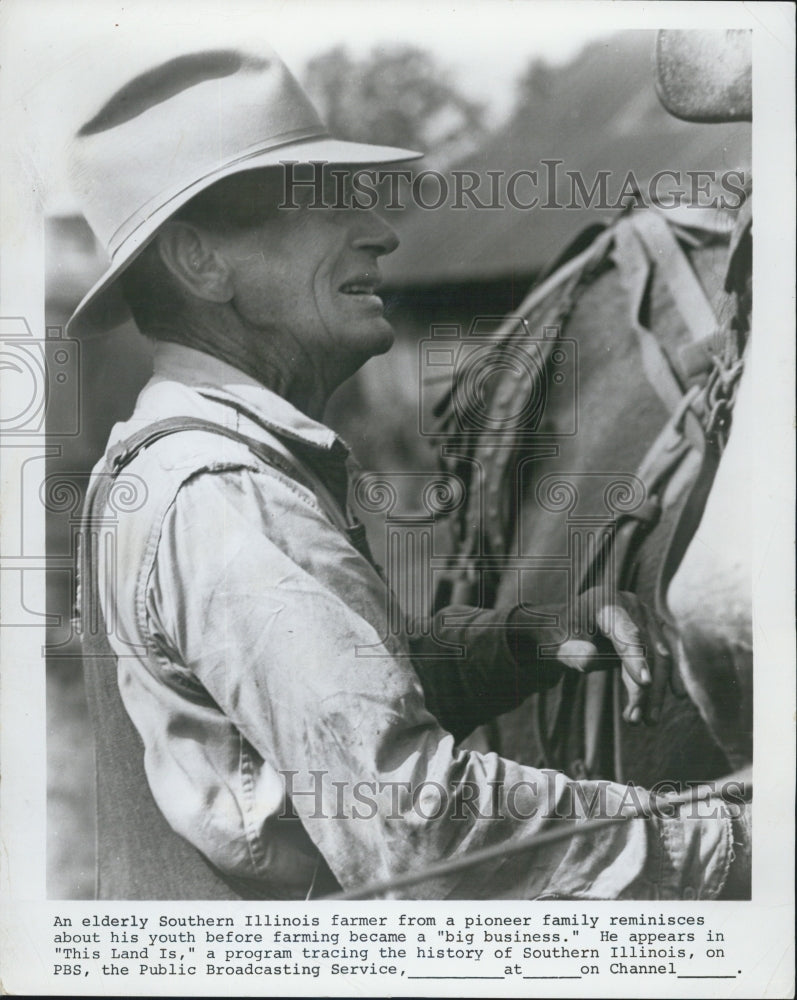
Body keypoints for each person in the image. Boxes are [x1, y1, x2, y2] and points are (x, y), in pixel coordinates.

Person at [71, 41, 749, 900]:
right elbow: (420, 830)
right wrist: (732, 840)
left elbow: (299, 709)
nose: (380, 232)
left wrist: (517, 644)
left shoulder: (166, 459)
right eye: (322, 206)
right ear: (202, 262)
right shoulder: (229, 495)